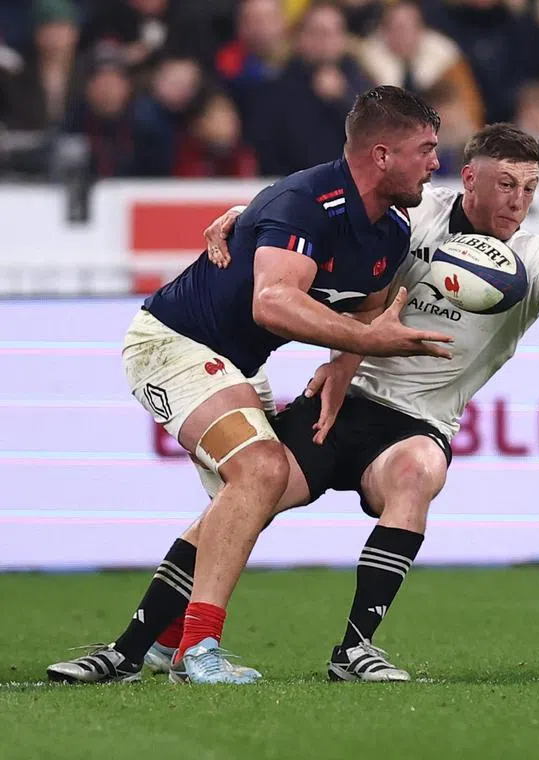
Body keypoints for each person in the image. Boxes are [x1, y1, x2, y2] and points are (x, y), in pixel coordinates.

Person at [47, 124, 539, 683]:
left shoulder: (533, 256)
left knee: (417, 472)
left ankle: (356, 647)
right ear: (471, 179)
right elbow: (324, 213)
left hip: (419, 423)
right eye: (506, 183)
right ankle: (132, 645)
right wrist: (250, 220)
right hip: (341, 400)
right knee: (250, 491)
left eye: (530, 187)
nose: (519, 200)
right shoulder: (415, 211)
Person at [47, 85, 455, 686]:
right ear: (381, 155)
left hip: (238, 365)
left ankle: (142, 646)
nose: (435, 162)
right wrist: (367, 343)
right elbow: (272, 302)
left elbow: (369, 310)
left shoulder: (389, 230)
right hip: (172, 343)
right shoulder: (307, 200)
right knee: (260, 471)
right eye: (426, 149)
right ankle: (198, 649)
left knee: (248, 497)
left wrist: (346, 361)